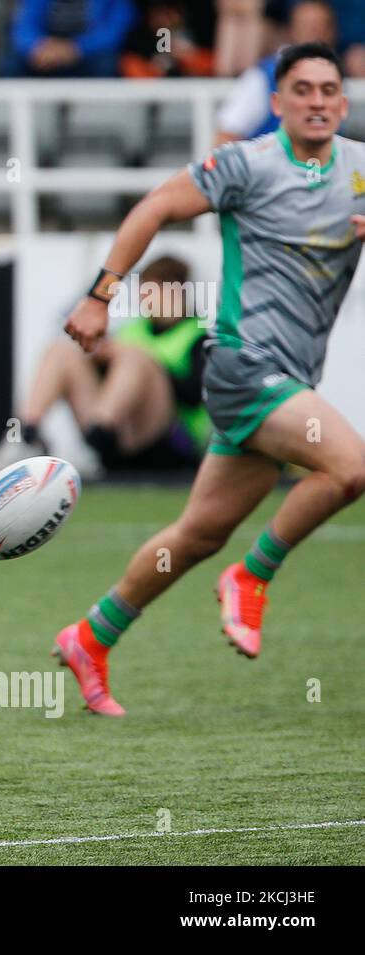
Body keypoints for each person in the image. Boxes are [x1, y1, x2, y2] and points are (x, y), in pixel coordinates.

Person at [54, 41, 365, 716]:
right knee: (349, 468)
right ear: (277, 103)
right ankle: (252, 575)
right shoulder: (245, 164)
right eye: (302, 90)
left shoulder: (361, 171)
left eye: (329, 90)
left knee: (196, 533)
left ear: (344, 101)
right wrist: (100, 295)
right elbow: (156, 206)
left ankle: (90, 636)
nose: (317, 102)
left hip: (288, 379)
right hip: (242, 365)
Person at [0, 255, 210, 481]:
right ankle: (25, 437)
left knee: (135, 357)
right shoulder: (132, 331)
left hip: (171, 442)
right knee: (62, 350)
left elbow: (195, 396)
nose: (146, 298)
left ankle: (99, 436)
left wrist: (149, 364)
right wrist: (99, 359)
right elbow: (114, 384)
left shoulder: (196, 336)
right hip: (116, 438)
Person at [215, 0, 336, 144]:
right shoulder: (264, 76)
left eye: (320, 27)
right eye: (307, 26)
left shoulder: (336, 75)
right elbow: (227, 133)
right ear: (291, 30)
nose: (315, 34)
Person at [5, 0, 137, 78]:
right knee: (11, 64)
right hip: (45, 51)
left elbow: (114, 31)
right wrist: (37, 47)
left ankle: (100, 115)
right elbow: (23, 27)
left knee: (107, 63)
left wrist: (76, 48)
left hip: (87, 53)